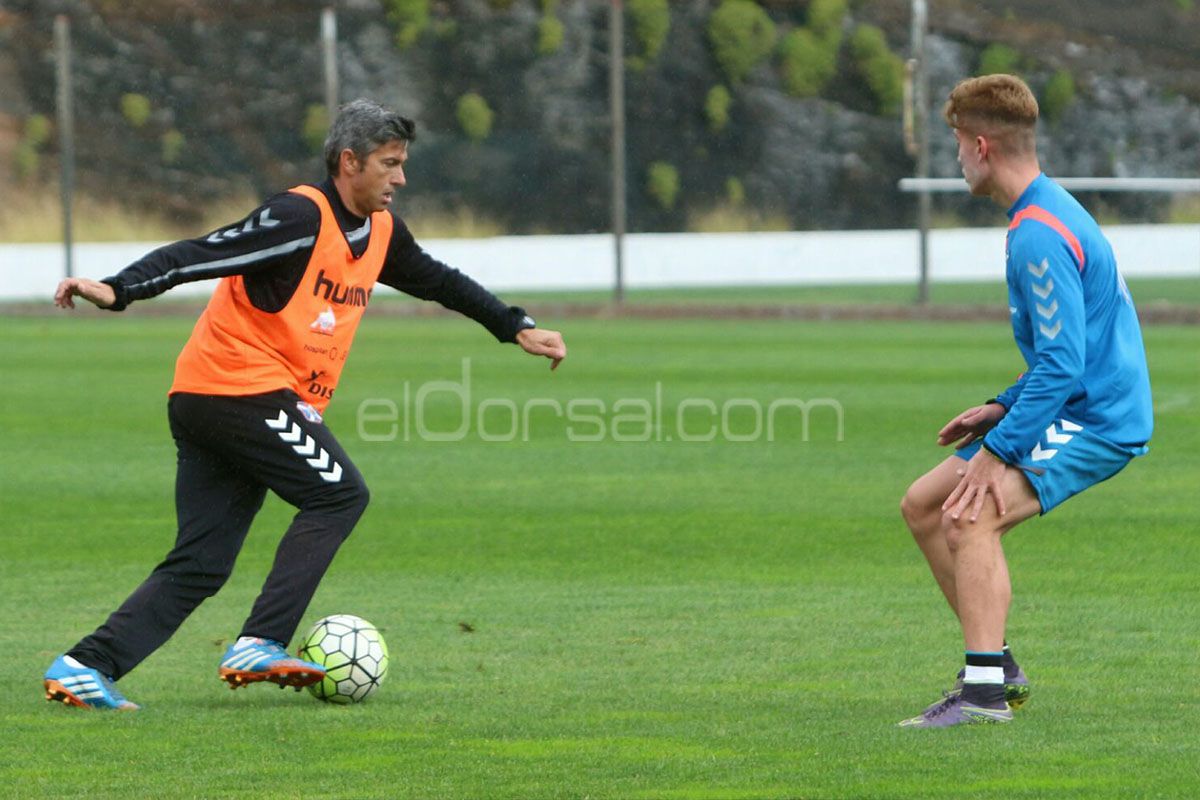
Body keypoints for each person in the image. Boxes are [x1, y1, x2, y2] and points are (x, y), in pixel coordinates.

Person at [44, 99, 567, 711]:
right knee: (339, 493)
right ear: (350, 162)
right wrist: (120, 289)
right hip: (236, 388)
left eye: (402, 164)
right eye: (389, 164)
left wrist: (515, 327)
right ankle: (260, 640)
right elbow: (205, 250)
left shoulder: (380, 234)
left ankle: (85, 665)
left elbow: (439, 280)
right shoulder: (297, 216)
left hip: (219, 398)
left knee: (202, 561)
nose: (400, 178)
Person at [897, 74, 1154, 728]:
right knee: (925, 505)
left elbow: (1066, 365)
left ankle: (983, 694)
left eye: (956, 143)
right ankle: (997, 663)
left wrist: (1001, 449)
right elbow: (1068, 352)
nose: (954, 158)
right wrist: (1001, 406)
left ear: (982, 146)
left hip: (1097, 419)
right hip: (1070, 400)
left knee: (967, 515)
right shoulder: (1045, 212)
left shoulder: (1039, 233)